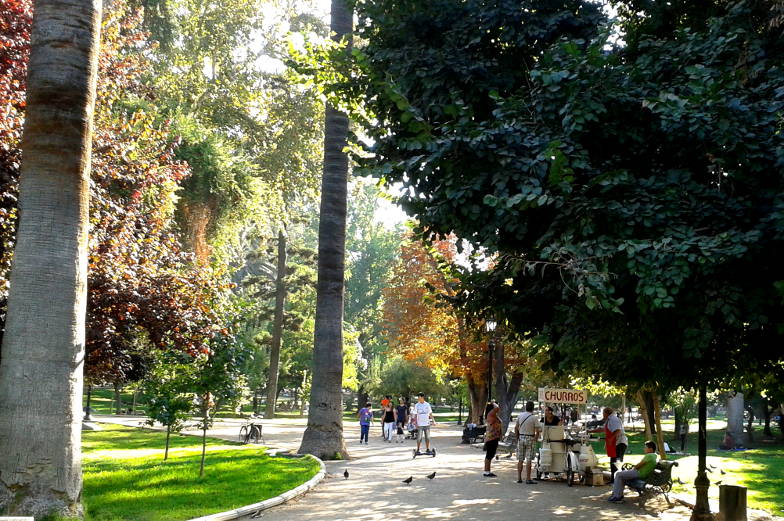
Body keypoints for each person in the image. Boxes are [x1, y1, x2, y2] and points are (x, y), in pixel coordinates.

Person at [597, 407, 628, 481]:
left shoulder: (613, 419)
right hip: (616, 443)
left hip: (620, 442)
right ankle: (613, 479)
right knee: (613, 461)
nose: (603, 415)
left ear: (606, 413)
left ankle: (617, 480)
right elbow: (604, 429)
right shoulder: (609, 420)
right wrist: (590, 431)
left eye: (603, 413)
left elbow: (618, 430)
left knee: (616, 462)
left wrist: (610, 439)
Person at [515, 401, 541, 484]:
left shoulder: (520, 415)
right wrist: (536, 439)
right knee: (529, 460)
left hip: (521, 437)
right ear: (533, 408)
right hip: (530, 438)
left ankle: (519, 478)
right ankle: (528, 478)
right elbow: (538, 430)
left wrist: (517, 438)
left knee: (520, 459)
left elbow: (516, 428)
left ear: (526, 407)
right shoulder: (534, 417)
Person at [483, 402, 502, 477]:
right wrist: (493, 402)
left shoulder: (494, 415)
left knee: (491, 454)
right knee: (489, 454)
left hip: (494, 437)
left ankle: (487, 470)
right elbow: (497, 408)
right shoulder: (491, 414)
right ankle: (486, 471)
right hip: (491, 438)